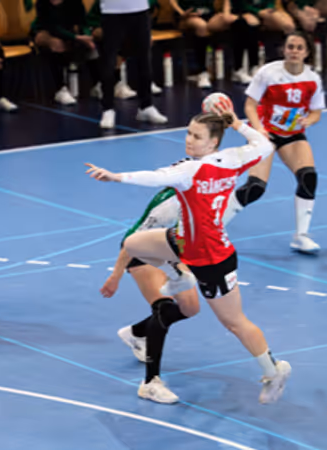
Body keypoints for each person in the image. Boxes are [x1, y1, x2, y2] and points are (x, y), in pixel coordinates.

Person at [85, 104, 292, 404]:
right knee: (134, 244)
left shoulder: (190, 170)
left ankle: (273, 371)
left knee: (234, 322)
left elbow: (153, 176)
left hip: (210, 261)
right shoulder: (233, 159)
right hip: (186, 244)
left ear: (212, 142)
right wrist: (238, 124)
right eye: (188, 133)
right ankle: (175, 278)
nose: (189, 140)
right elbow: (264, 146)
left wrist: (116, 177)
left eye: (197, 136)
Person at [223, 32, 325, 254]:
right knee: (255, 188)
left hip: (293, 135)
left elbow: (316, 112)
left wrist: (308, 120)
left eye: (299, 47)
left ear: (307, 52)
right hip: (266, 133)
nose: (294, 51)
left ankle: (301, 236)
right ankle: (212, 227)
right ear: (284, 49)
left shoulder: (312, 79)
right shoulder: (268, 73)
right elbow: (250, 105)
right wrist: (258, 130)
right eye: (290, 47)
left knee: (308, 177)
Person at [101, 187, 201, 403]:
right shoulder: (170, 205)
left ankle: (137, 332)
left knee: (190, 308)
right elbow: (132, 241)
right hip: (143, 251)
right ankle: (150, 383)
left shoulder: (211, 196)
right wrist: (115, 276)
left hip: (173, 250)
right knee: (163, 307)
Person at [98, 0, 168, 128]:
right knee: (109, 62)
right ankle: (107, 109)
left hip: (140, 10)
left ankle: (146, 106)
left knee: (144, 59)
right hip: (112, 12)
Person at [30, 0, 100, 105]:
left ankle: (96, 85)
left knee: (92, 48)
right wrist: (76, 37)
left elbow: (83, 23)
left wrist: (87, 37)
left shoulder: (75, 2)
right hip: (45, 32)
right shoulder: (42, 3)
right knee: (56, 44)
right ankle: (60, 89)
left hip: (68, 31)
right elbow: (52, 28)